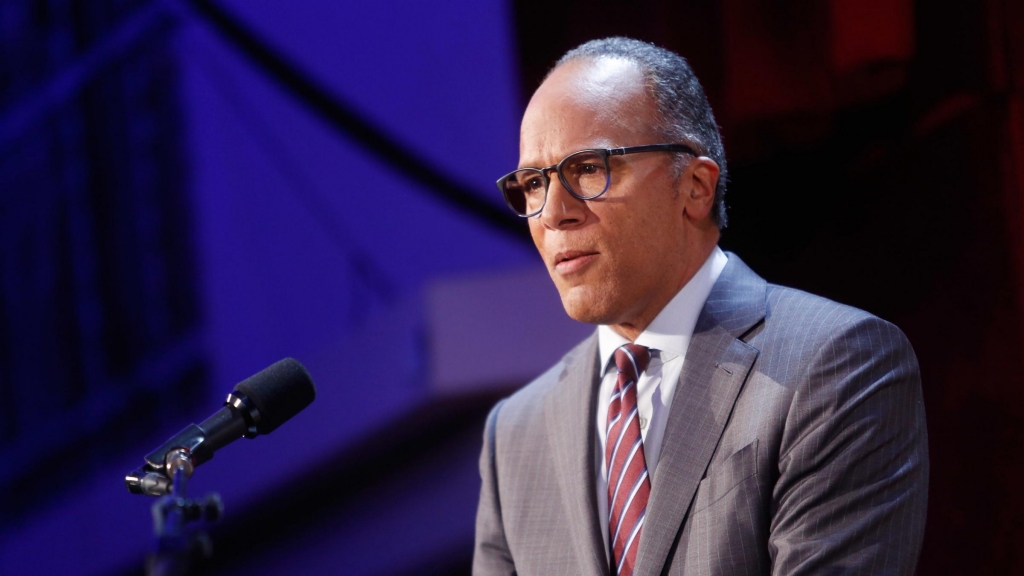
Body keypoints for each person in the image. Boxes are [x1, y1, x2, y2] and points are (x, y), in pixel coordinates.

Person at [473, 37, 928, 576]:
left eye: (588, 169)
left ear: (693, 186)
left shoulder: (835, 364)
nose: (553, 214)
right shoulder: (515, 434)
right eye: (532, 184)